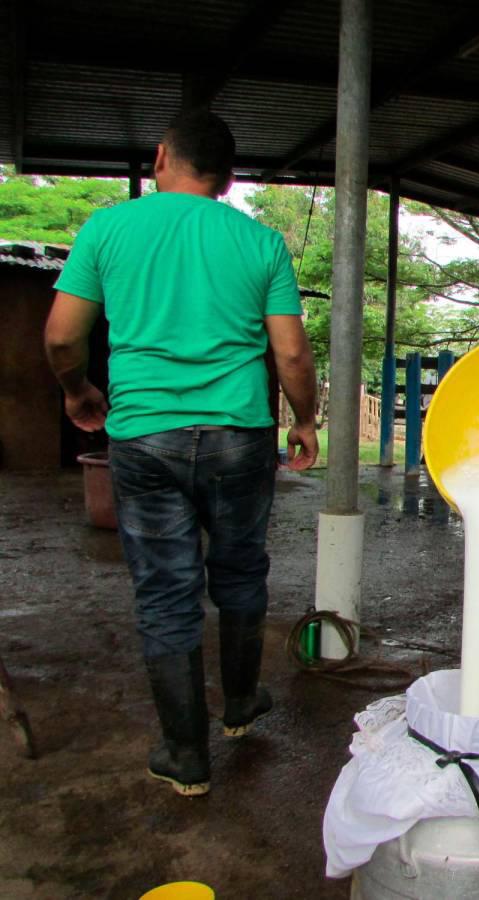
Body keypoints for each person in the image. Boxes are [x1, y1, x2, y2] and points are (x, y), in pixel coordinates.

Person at [44, 109, 319, 797]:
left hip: (144, 437)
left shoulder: (107, 228)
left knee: (166, 592)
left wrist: (78, 388)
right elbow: (289, 350)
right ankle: (240, 706)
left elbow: (59, 337)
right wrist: (305, 421)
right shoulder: (260, 242)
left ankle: (185, 754)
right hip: (237, 436)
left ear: (162, 157)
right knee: (239, 569)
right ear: (228, 179)